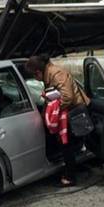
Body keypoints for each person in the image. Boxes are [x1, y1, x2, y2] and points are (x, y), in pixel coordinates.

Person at [25, 54, 90, 187]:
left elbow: (68, 97)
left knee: (66, 144)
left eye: (34, 76)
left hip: (74, 111)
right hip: (68, 110)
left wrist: (53, 109)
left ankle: (70, 177)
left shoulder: (56, 74)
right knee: (66, 144)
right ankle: (70, 169)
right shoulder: (49, 74)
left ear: (38, 72)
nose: (35, 79)